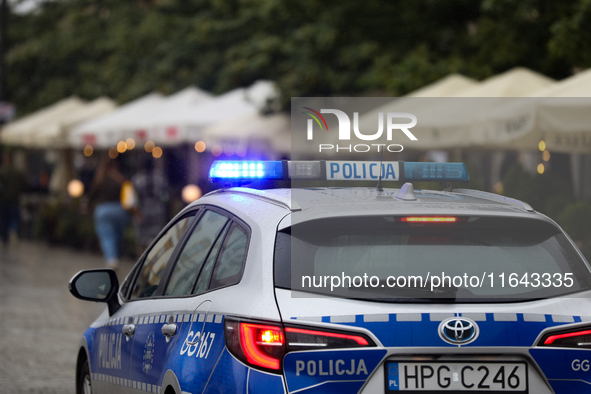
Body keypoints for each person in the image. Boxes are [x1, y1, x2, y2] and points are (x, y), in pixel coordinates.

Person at [87, 156, 130, 269]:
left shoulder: (100, 179)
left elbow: (92, 196)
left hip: (103, 210)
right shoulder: (121, 180)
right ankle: (117, 256)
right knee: (118, 235)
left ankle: (112, 259)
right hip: (120, 210)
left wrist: (87, 207)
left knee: (107, 236)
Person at [131, 157, 168, 253]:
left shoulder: (136, 179)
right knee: (157, 238)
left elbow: (133, 199)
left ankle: (141, 262)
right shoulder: (160, 178)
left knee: (141, 239)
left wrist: (136, 212)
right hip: (158, 210)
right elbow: (165, 196)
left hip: (142, 211)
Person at [0, 153, 28, 248]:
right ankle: (15, 236)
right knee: (14, 219)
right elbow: (24, 185)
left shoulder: (2, 172)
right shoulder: (18, 172)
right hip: (15, 200)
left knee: (4, 220)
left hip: (4, 200)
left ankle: (5, 238)